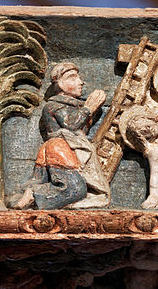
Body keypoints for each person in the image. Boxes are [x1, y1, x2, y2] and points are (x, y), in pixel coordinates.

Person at [11, 62, 110, 209]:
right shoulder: (53, 105)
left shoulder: (72, 106)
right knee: (75, 189)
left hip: (60, 148)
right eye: (72, 78)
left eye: (78, 77)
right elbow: (71, 124)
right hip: (60, 149)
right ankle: (34, 194)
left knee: (41, 180)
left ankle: (21, 196)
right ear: (60, 84)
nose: (80, 81)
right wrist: (89, 108)